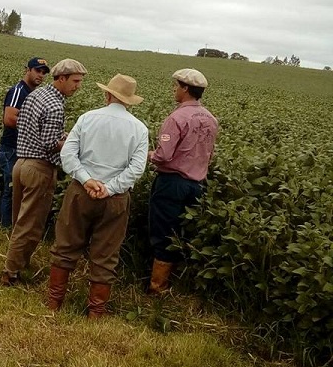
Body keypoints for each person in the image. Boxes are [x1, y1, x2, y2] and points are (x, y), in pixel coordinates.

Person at [48, 74, 148, 318]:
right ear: (129, 101)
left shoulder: (87, 118)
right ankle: (96, 313)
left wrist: (87, 180)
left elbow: (68, 155)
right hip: (115, 200)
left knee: (66, 245)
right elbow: (137, 168)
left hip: (80, 193)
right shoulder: (139, 128)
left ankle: (53, 302)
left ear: (108, 94)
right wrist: (110, 188)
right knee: (106, 254)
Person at [1, 59, 88, 286]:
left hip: (21, 164)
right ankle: (11, 273)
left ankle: (17, 264)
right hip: (39, 168)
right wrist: (73, 143)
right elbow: (50, 142)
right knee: (30, 225)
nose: (77, 86)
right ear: (61, 79)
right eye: (75, 81)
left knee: (19, 219)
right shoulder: (55, 105)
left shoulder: (35, 95)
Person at [147, 68, 218, 294]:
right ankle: (173, 284)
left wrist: (147, 154)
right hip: (197, 185)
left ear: (185, 89)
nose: (174, 89)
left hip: (172, 184)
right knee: (180, 232)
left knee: (163, 233)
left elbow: (164, 155)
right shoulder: (211, 119)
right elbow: (209, 154)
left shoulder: (176, 117)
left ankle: (157, 287)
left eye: (176, 86)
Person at [0, 58, 50, 227]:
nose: (40, 75)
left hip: (19, 149)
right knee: (12, 190)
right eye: (37, 70)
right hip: (11, 147)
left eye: (43, 72)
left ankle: (11, 227)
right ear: (27, 70)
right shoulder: (19, 91)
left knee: (16, 190)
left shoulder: (32, 93)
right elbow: (9, 119)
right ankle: (6, 227)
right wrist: (37, 129)